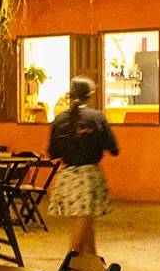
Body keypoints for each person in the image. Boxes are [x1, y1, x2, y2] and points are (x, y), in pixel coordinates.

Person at [47, 77, 119, 257]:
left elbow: (53, 152)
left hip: (67, 179)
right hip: (89, 179)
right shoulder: (97, 117)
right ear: (90, 95)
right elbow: (113, 147)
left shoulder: (59, 119)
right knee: (79, 239)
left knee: (85, 230)